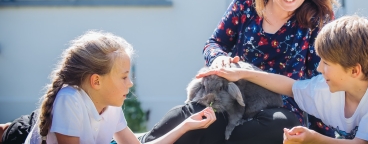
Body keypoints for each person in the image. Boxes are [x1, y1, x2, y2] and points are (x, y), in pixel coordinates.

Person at [198, 15, 368, 144]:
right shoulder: (328, 88)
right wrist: (244, 73)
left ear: (354, 71)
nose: (319, 68)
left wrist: (314, 139)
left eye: (326, 63)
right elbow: (291, 87)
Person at [202, 0, 339, 142]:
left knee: (280, 126)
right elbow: (215, 43)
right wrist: (219, 58)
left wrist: (323, 139)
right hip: (234, 100)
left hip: (280, 111)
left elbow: (318, 86)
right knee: (188, 117)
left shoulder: (319, 19)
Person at [12, 30, 219, 144]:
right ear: (96, 81)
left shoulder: (111, 106)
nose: (130, 83)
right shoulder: (69, 100)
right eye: (124, 77)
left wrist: (186, 125)